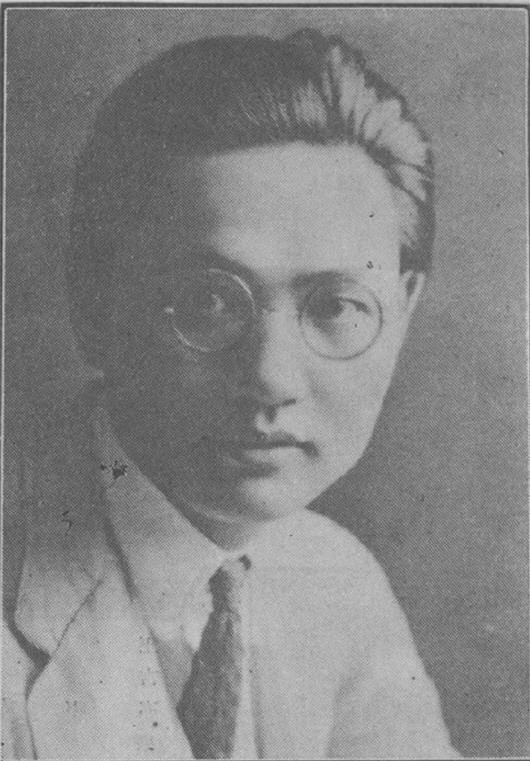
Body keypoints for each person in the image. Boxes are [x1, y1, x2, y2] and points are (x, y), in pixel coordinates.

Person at [2, 28, 460, 760]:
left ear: (403, 315)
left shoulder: (339, 584)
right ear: (93, 303)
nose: (272, 378)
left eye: (335, 305)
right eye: (210, 301)